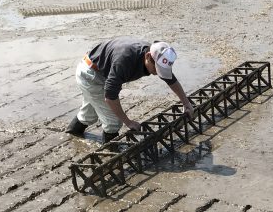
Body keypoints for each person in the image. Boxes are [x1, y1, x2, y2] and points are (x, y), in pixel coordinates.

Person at [65, 38, 195, 142]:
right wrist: (128, 122)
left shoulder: (156, 55)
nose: (157, 73)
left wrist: (186, 103)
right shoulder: (125, 60)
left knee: (89, 115)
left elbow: (170, 79)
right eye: (156, 68)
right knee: (113, 122)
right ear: (148, 56)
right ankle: (111, 160)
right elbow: (110, 97)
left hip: (102, 70)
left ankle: (72, 134)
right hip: (91, 75)